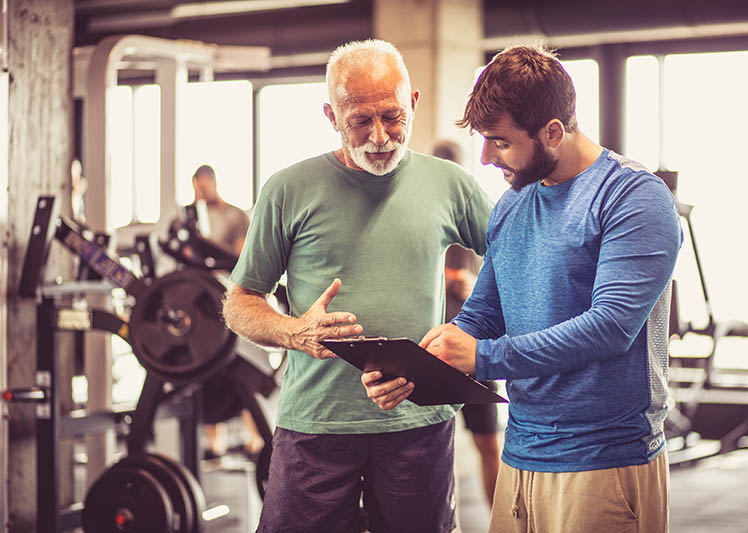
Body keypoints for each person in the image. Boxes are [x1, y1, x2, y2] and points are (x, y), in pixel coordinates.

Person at [365, 43, 682, 532]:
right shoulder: (513, 206)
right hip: (522, 456)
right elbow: (483, 314)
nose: (488, 157)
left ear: (553, 132)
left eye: (501, 141)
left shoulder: (633, 198)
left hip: (603, 461)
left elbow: (610, 328)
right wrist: (419, 364)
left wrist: (484, 357)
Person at [222, 39, 492, 533]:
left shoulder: (451, 185)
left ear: (413, 102)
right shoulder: (287, 190)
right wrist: (293, 332)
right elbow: (239, 302)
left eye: (391, 116)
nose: (380, 137)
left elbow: (512, 265)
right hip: (317, 426)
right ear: (331, 116)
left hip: (418, 424)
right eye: (359, 122)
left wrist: (473, 334)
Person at [433, 140, 502, 508]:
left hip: (473, 346)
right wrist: (439, 276)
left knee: (489, 443)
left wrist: (469, 283)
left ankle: (501, 523)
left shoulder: (480, 216)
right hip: (434, 344)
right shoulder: (425, 215)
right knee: (434, 446)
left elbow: (496, 275)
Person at [183, 164, 260, 458]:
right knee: (209, 374)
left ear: (213, 183)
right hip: (202, 300)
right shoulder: (192, 218)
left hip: (230, 294)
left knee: (245, 367)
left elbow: (241, 257)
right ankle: (214, 445)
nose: (200, 193)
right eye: (196, 188)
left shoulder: (235, 216)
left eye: (204, 187)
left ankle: (255, 440)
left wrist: (210, 251)